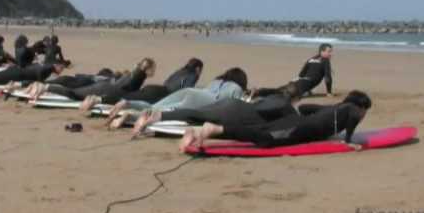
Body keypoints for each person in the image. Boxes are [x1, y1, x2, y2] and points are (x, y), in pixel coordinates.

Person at [178, 90, 372, 153]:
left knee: (257, 130)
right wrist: (349, 141)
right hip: (300, 128)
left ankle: (200, 132)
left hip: (296, 121)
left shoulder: (336, 108)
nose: (363, 115)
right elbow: (354, 118)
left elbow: (305, 108)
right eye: (365, 111)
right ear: (361, 107)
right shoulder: (353, 110)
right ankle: (213, 129)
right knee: (265, 139)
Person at [115, 83, 300, 133]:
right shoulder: (285, 106)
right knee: (196, 117)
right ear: (295, 98)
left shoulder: (272, 97)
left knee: (196, 114)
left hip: (232, 104)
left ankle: (155, 115)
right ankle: (154, 117)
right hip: (235, 113)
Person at [121, 68, 248, 135]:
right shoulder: (237, 88)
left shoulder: (216, 81)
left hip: (191, 91)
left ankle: (127, 105)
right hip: (200, 100)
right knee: (167, 112)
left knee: (154, 106)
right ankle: (136, 116)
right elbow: (235, 107)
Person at [79, 58, 204, 111]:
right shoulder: (193, 75)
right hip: (159, 94)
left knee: (130, 96)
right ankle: (97, 99)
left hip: (156, 88)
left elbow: (167, 82)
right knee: (128, 99)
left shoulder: (179, 71)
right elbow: (185, 91)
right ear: (198, 68)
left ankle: (98, 98)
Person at [29, 58, 156, 102]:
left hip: (105, 85)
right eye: (153, 69)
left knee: (75, 91)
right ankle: (45, 87)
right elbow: (127, 91)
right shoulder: (139, 76)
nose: (153, 72)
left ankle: (45, 86)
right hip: (107, 90)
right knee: (74, 94)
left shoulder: (134, 72)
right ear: (148, 69)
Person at [254, 43, 334, 99]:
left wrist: (308, 89)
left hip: (297, 82)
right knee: (280, 94)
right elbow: (327, 77)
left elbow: (302, 74)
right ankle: (256, 93)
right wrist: (329, 92)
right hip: (302, 85)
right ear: (322, 52)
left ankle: (256, 92)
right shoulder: (325, 60)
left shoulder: (311, 60)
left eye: (331, 51)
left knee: (277, 91)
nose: (331, 53)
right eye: (329, 51)